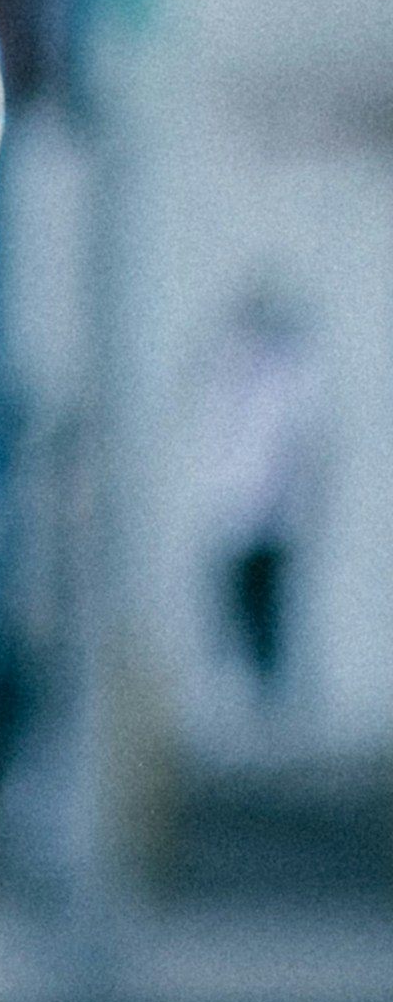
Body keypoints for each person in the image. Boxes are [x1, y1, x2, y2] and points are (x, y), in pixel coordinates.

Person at [190, 284, 328, 701]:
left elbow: (294, 442)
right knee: (239, 609)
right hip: (235, 511)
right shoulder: (228, 371)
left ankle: (270, 694)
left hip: (267, 514)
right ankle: (245, 693)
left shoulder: (280, 375)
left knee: (267, 610)